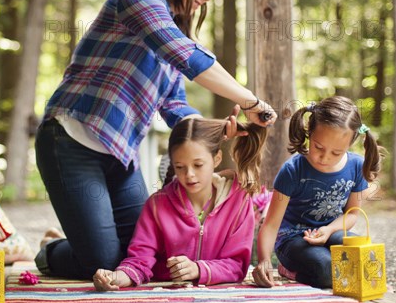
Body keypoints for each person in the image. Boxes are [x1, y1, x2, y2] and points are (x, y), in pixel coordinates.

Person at [35, 0, 276, 279]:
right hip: (71, 141)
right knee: (101, 262)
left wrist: (218, 129)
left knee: (143, 255)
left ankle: (81, 239)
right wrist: (250, 101)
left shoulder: (174, 33)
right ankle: (50, 252)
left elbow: (176, 107)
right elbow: (185, 54)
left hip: (120, 154)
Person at [93, 117, 267, 290]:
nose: (189, 174)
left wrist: (198, 269)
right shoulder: (157, 205)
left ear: (217, 159)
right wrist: (116, 277)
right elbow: (140, 260)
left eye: (198, 165)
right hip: (165, 301)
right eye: (180, 167)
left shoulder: (239, 202)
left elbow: (237, 265)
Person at [252, 96, 384, 288]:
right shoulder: (292, 171)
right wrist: (264, 261)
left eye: (336, 153)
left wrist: (328, 229)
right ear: (309, 133)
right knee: (326, 269)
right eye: (318, 147)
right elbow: (271, 224)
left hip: (331, 232)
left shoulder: (356, 167)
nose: (324, 157)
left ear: (351, 143)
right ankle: (288, 270)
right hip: (293, 240)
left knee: (364, 253)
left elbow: (352, 214)